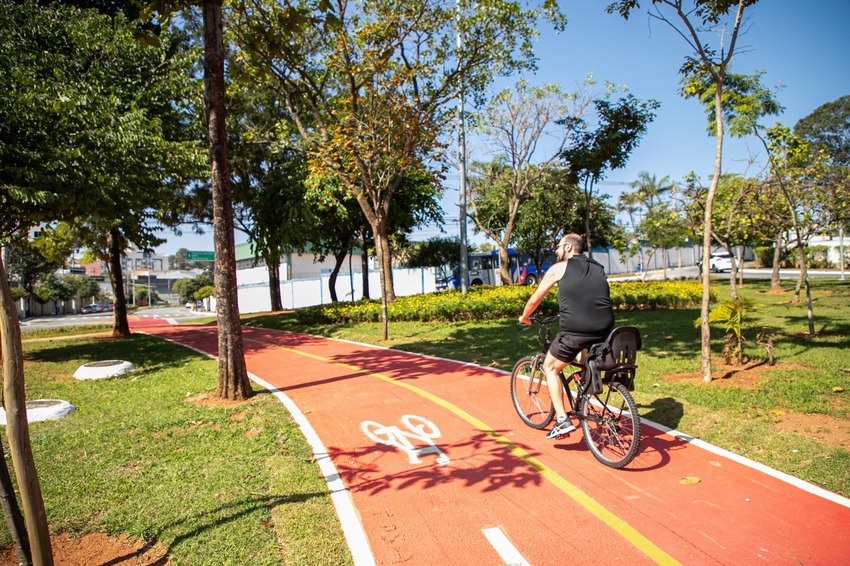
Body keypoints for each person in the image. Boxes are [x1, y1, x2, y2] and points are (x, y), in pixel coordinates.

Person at [518, 233, 614, 439]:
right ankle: (585, 389)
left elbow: (535, 299)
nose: (556, 251)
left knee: (550, 367)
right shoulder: (598, 267)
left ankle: (561, 420)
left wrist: (525, 317)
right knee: (581, 356)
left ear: (569, 248)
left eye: (559, 247)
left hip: (576, 331)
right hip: (605, 330)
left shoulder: (559, 269)